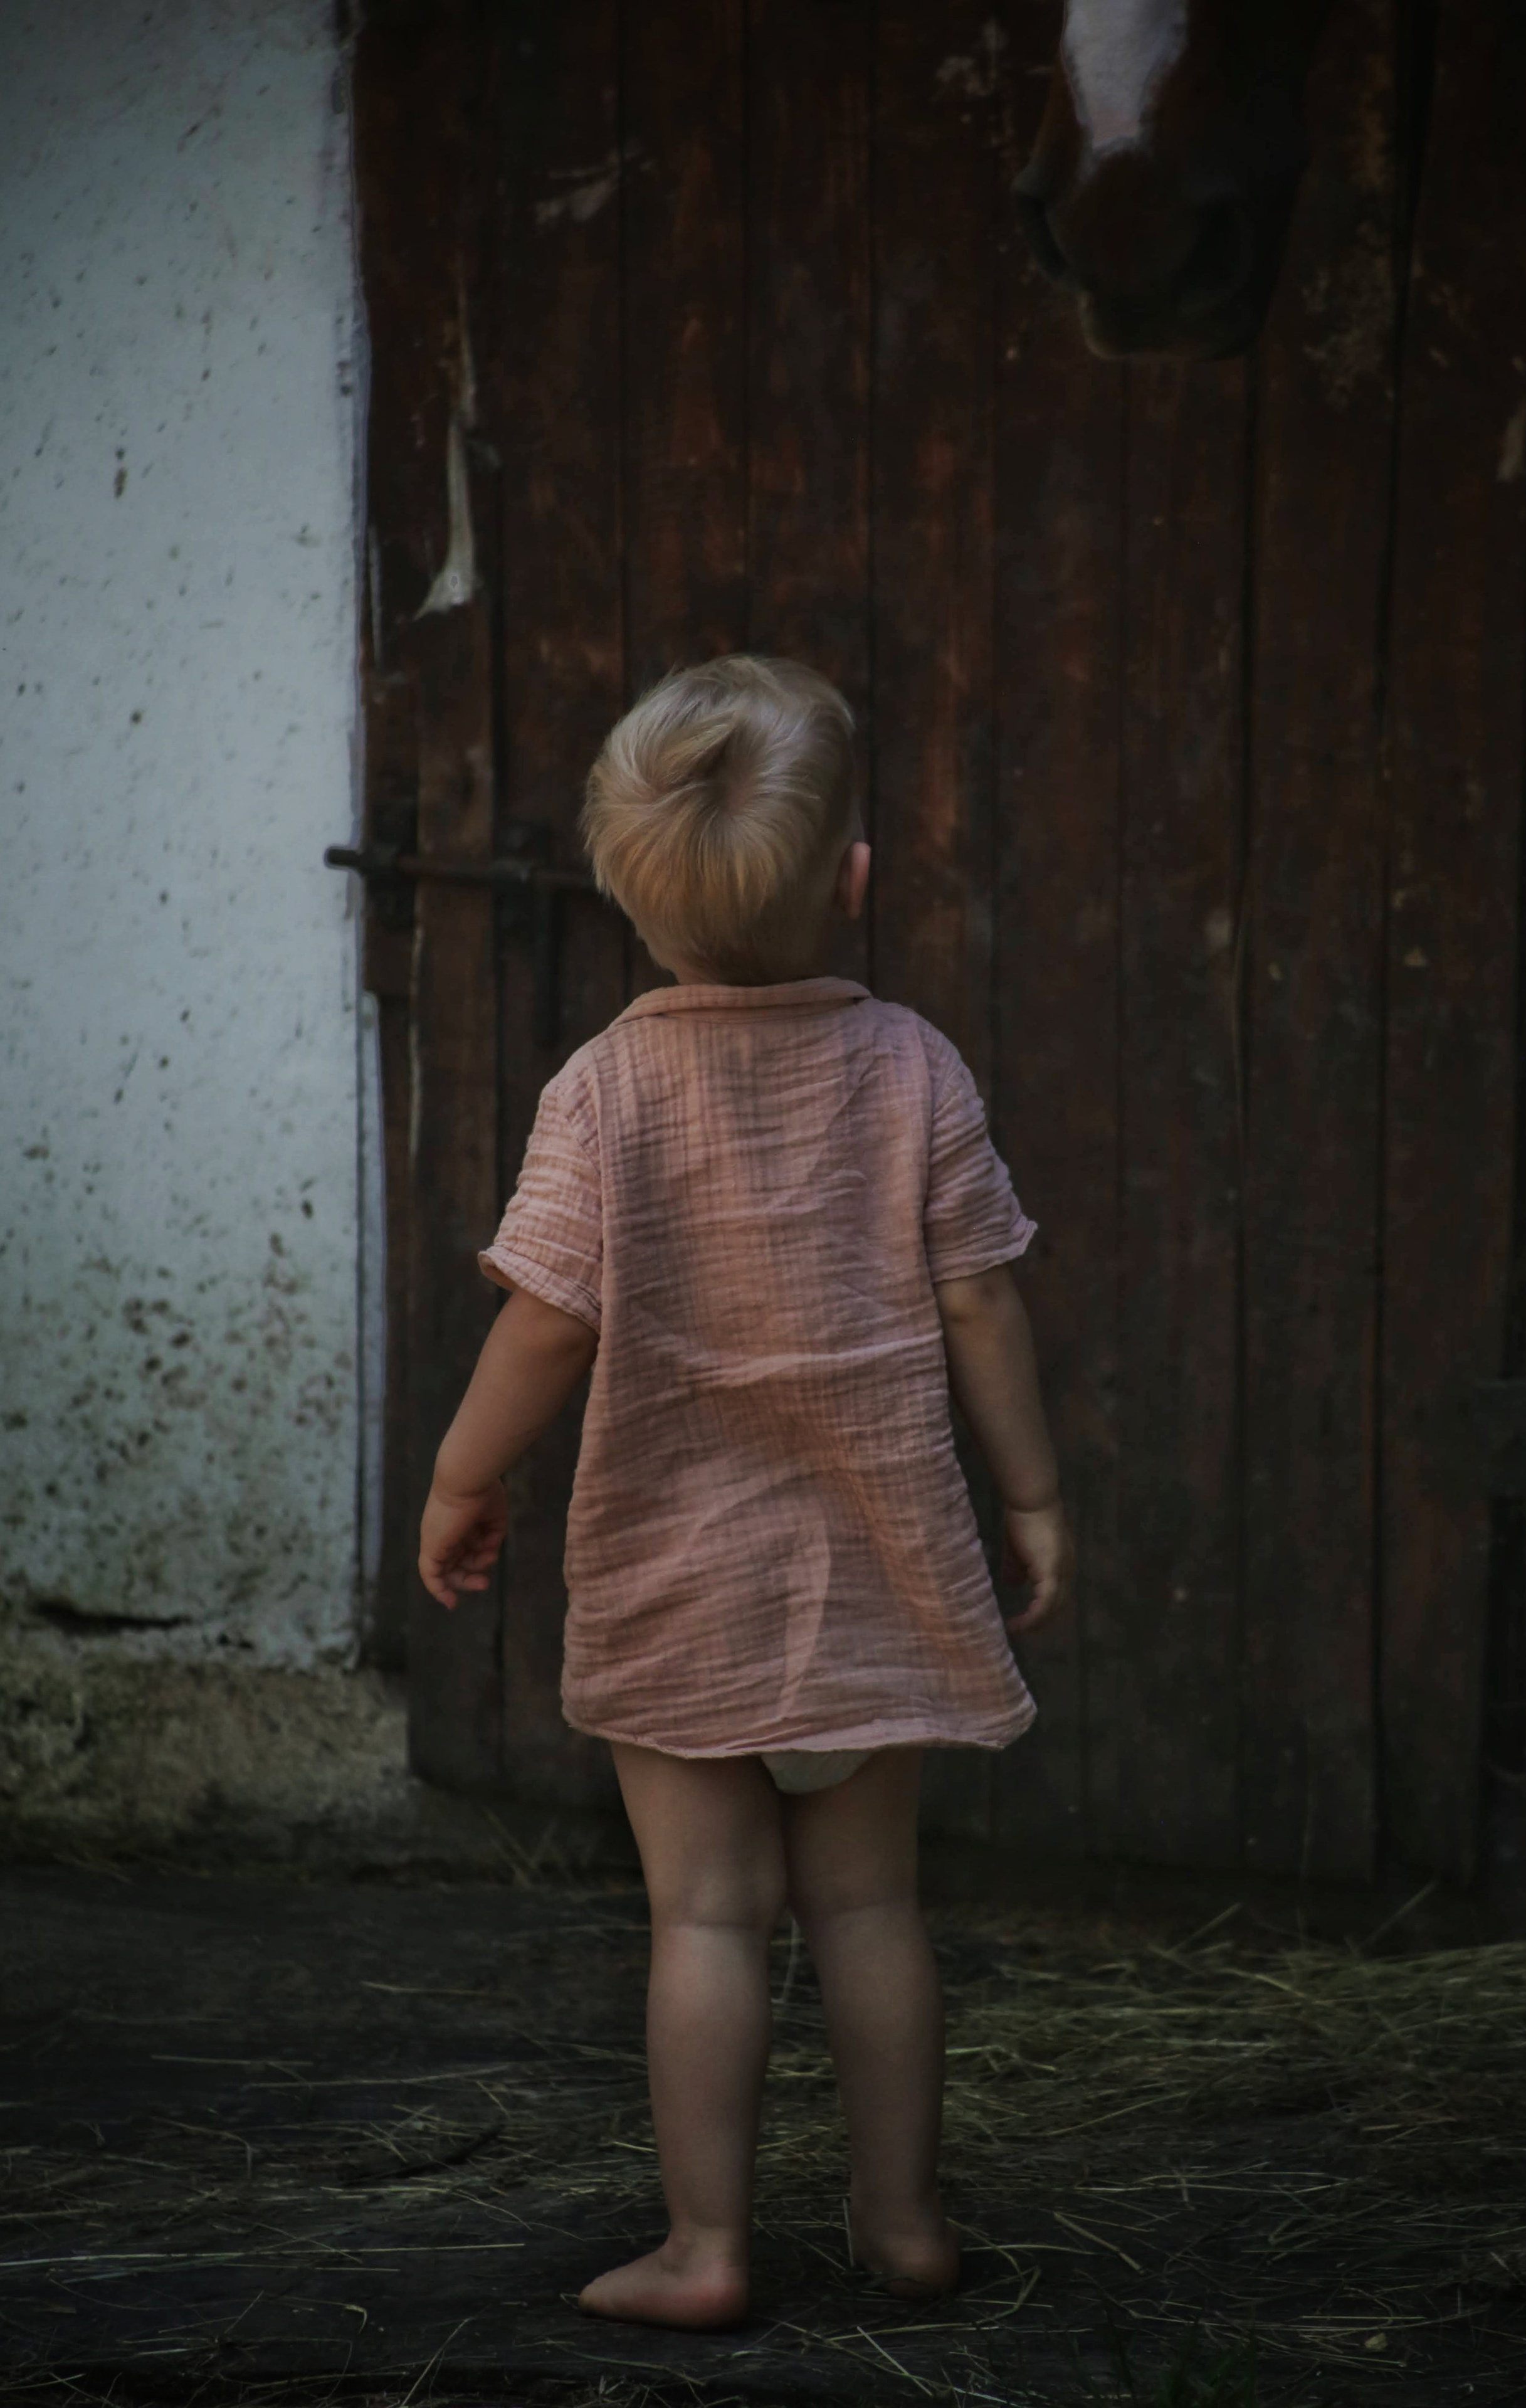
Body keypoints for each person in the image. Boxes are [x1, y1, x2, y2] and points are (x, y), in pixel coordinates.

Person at [418, 655, 1070, 2331]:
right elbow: (984, 1295)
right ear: (855, 878)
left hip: (679, 1576)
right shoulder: (915, 1068)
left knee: (707, 1918)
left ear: (629, 905)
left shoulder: (606, 1091)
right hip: (877, 1568)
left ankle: (709, 2251)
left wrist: (460, 1477)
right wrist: (1037, 1497)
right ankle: (906, 2222)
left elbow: (547, 1328)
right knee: (870, 1907)